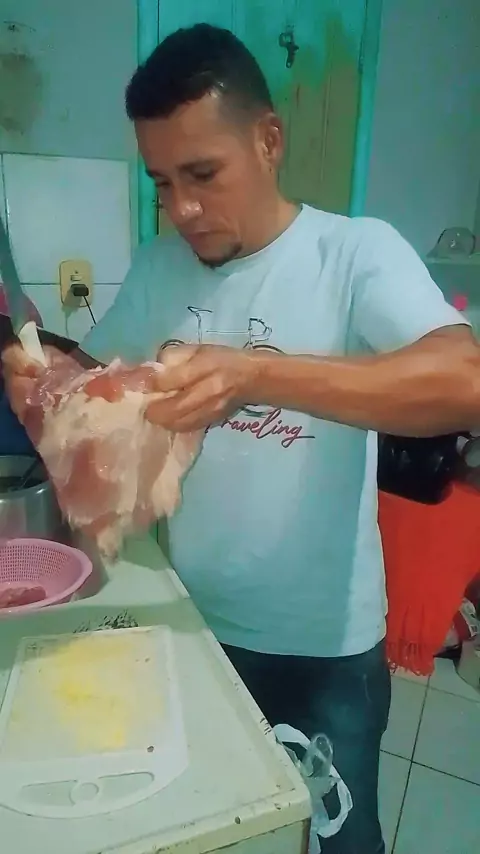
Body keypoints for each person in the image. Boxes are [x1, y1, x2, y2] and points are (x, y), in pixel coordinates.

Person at [3, 24, 480, 854]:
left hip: (323, 653)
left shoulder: (351, 254)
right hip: (190, 626)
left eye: (202, 174)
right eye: (162, 183)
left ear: (269, 140)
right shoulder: (160, 265)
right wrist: (46, 373)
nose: (181, 208)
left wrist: (255, 375)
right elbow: (104, 382)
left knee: (336, 841)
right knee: (228, 830)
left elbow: (462, 379)